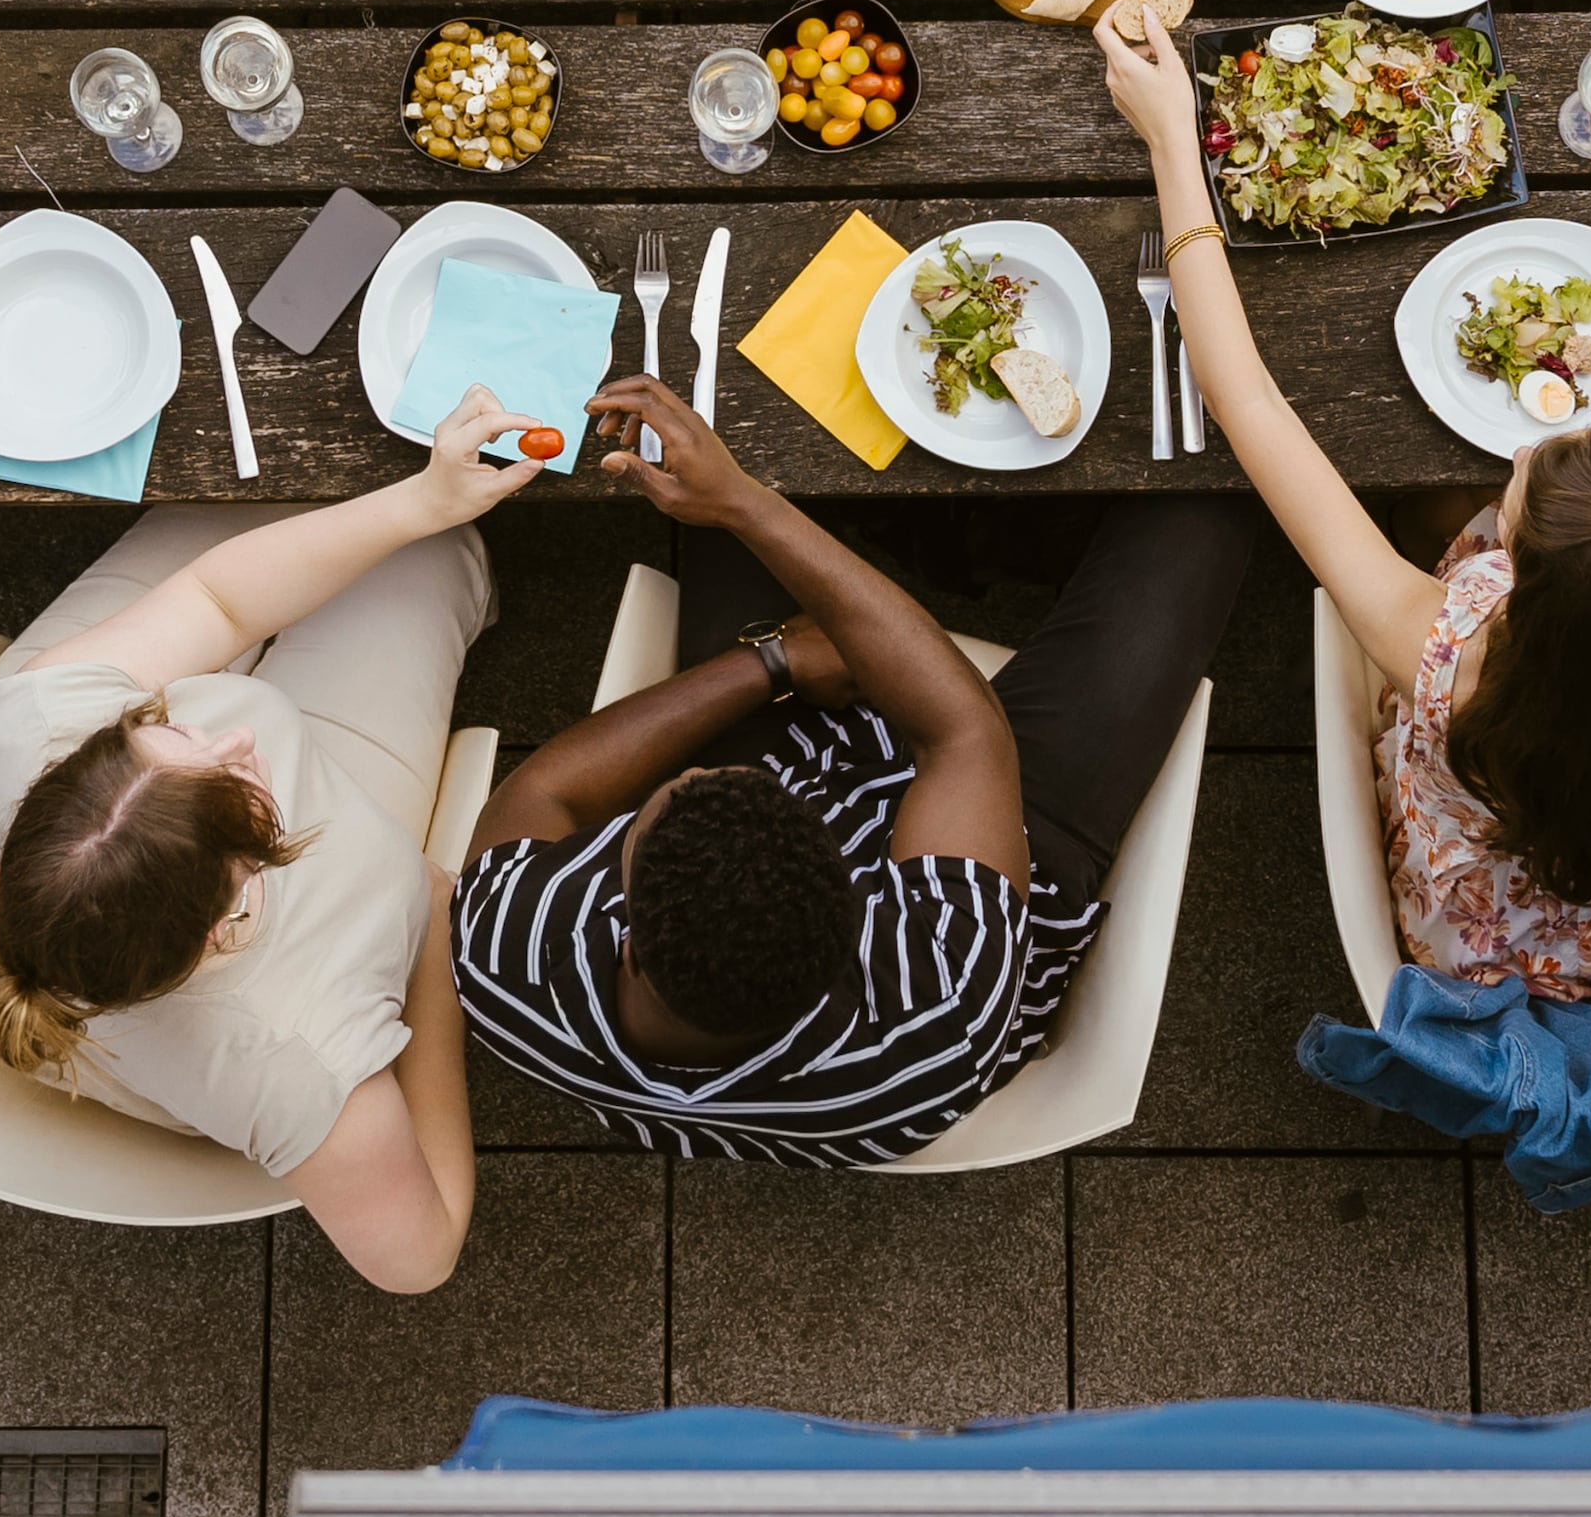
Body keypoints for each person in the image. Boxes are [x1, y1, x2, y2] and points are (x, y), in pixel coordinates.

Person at [1089, 7, 1591, 994]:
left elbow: (1242, 398)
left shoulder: (1437, 660)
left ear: (1514, 588)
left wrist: (1173, 142)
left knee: (1428, 505)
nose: (1523, 449)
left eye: (1520, 498)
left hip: (1475, 931)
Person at [448, 378, 1246, 1166]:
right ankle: (988, 532)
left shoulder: (502, 960)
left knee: (723, 423)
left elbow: (543, 791)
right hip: (1005, 870)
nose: (687, 777)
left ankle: (931, 528)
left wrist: (769, 661)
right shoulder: (937, 1007)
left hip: (785, 750)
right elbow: (963, 732)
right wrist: (746, 506)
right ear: (856, 914)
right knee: (1206, 504)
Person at [0, 392, 542, 1297]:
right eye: (238, 788)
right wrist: (436, 944)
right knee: (430, 551)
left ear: (79, 765)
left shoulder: (34, 721)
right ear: (220, 926)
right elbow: (423, 1253)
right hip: (304, 928)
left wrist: (418, 498)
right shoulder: (297, 1066)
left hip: (14, 905)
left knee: (266, 481)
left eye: (161, 724)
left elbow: (216, 598)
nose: (233, 733)